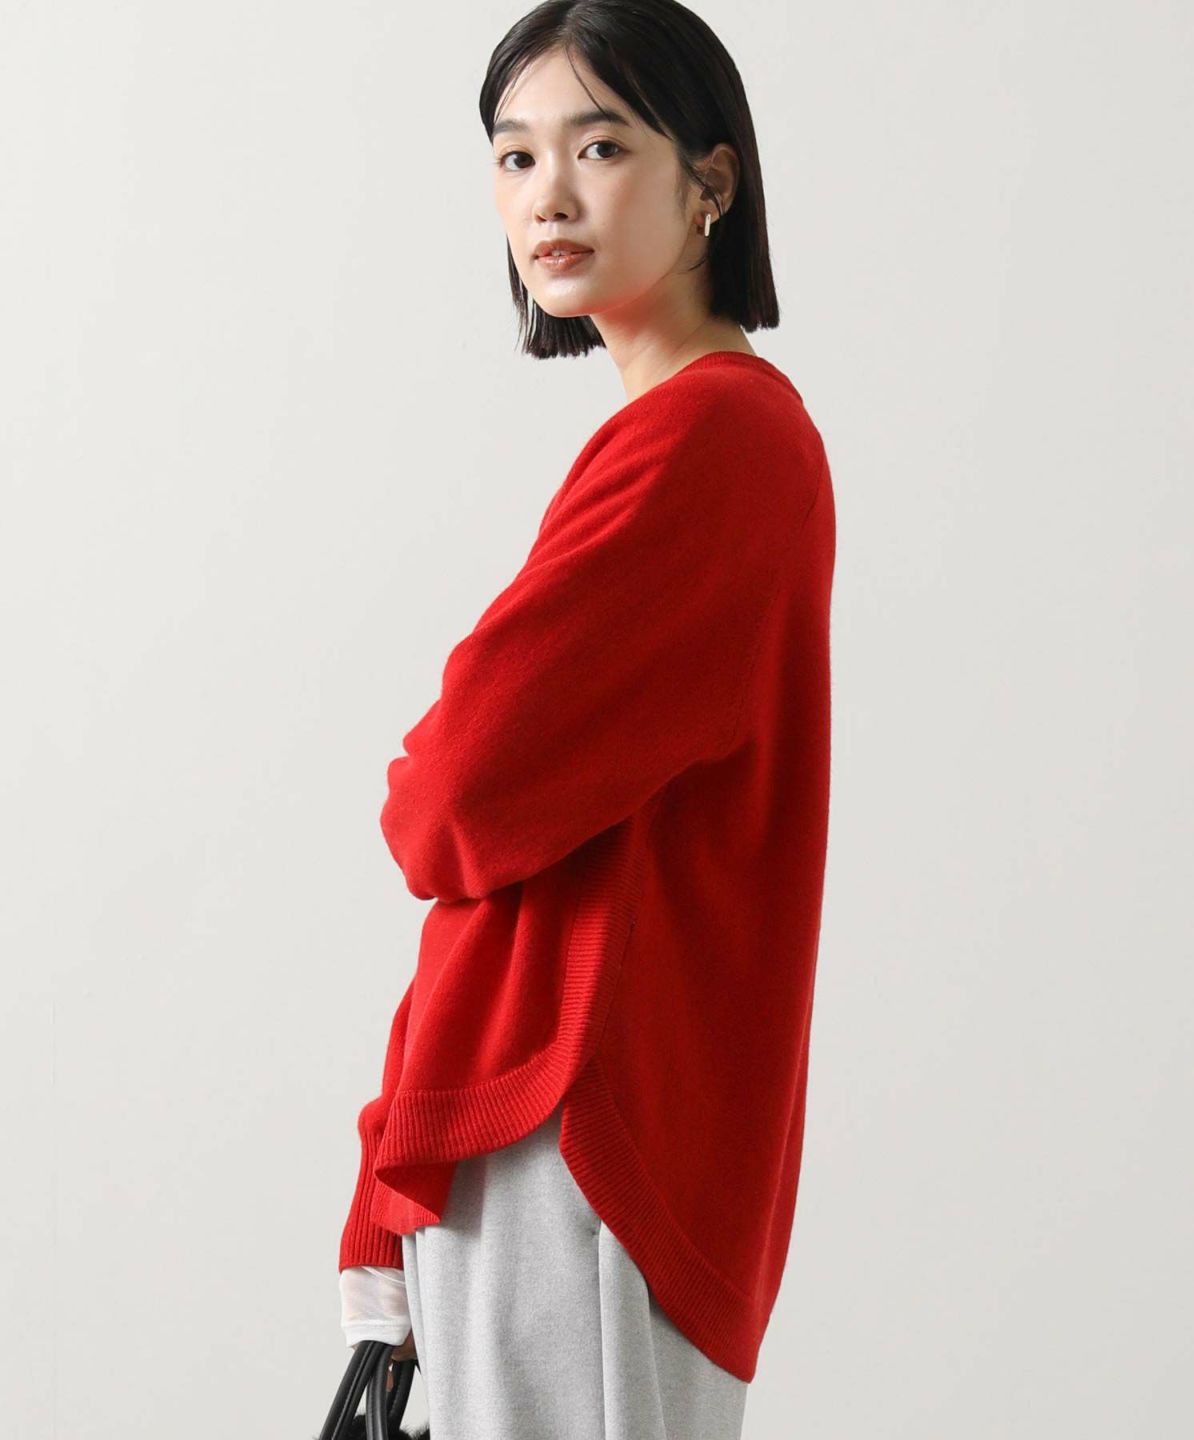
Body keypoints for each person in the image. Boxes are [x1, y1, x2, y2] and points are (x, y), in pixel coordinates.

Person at [337, 2, 836, 1436]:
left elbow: (449, 799)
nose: (547, 197)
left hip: (578, 1130)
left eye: (601, 147)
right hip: (563, 1128)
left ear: (711, 181)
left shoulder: (710, 439)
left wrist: (430, 760)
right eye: (515, 157)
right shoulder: (688, 435)